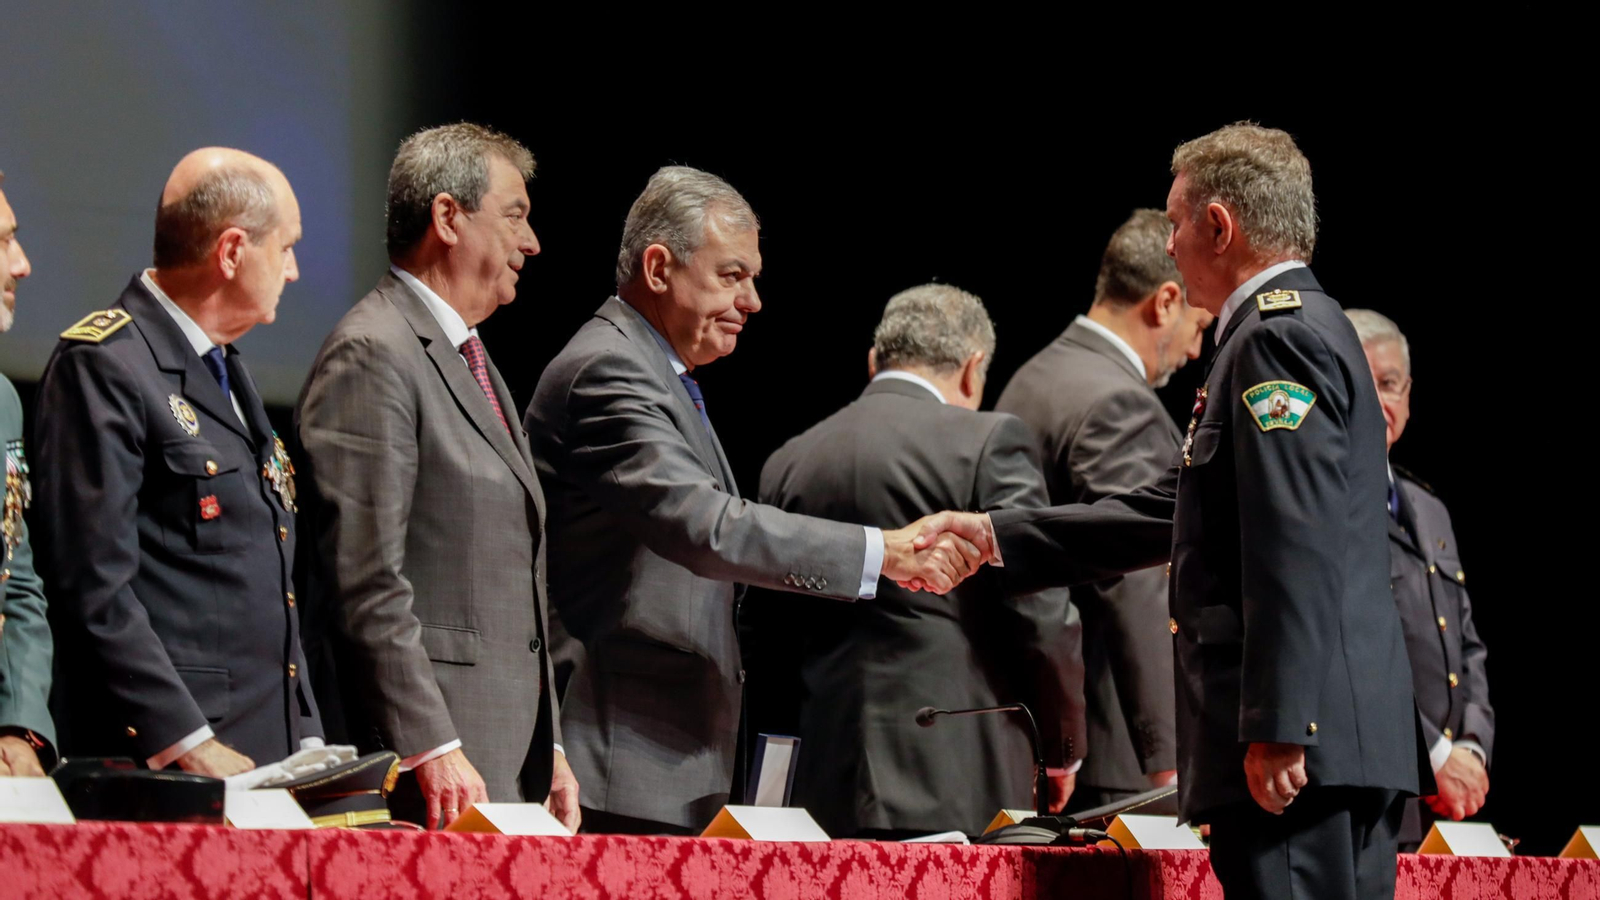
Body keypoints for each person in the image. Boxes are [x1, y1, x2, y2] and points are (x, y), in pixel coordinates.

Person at [913, 123, 1423, 899]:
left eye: (1177, 219)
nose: (1171, 241)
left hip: (1303, 751)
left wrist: (1279, 724)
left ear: (1220, 225)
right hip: (1332, 739)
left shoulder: (1275, 339)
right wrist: (997, 535)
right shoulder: (1300, 328)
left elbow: (1297, 540)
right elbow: (1176, 510)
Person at [526, 166, 980, 834]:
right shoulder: (608, 368)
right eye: (732, 275)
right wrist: (879, 551)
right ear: (658, 267)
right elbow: (705, 527)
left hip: (668, 759)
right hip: (620, 764)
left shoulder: (657, 372)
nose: (754, 300)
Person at [295, 123, 576, 831]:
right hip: (432, 768)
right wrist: (430, 740)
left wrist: (553, 748)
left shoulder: (469, 357)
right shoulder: (373, 351)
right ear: (448, 217)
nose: (532, 241)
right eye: (515, 215)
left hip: (507, 759)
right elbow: (364, 577)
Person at [759, 283, 1085, 837]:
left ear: (873, 362)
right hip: (959, 770)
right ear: (971, 368)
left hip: (822, 772)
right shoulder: (990, 440)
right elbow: (1041, 607)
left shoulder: (788, 461)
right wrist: (1060, 748)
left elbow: (771, 631)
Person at [34, 148, 321, 775]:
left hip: (264, 760)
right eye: (286, 247)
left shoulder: (228, 371)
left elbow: (268, 582)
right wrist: (186, 742)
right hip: (166, 768)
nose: (294, 270)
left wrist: (307, 739)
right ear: (232, 251)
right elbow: (92, 583)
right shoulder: (106, 364)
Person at [995, 209, 1213, 810]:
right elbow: (1138, 573)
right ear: (1165, 301)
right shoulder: (1119, 400)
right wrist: (1167, 753)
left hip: (1054, 724)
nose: (1197, 349)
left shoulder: (1034, 376)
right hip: (1122, 751)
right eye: (1199, 323)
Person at [1347, 308, 1492, 846]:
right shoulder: (1325, 502)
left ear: (1408, 393)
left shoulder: (1429, 509)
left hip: (1449, 802)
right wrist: (1432, 756)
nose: (1380, 401)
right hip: (1374, 794)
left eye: (1390, 385)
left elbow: (1469, 647)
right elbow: (1351, 651)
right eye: (1364, 384)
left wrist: (1470, 750)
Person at [0, 170, 56, 777]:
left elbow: (15, 582)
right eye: (4, 241)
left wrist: (20, 725)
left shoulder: (3, 402)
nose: (22, 265)